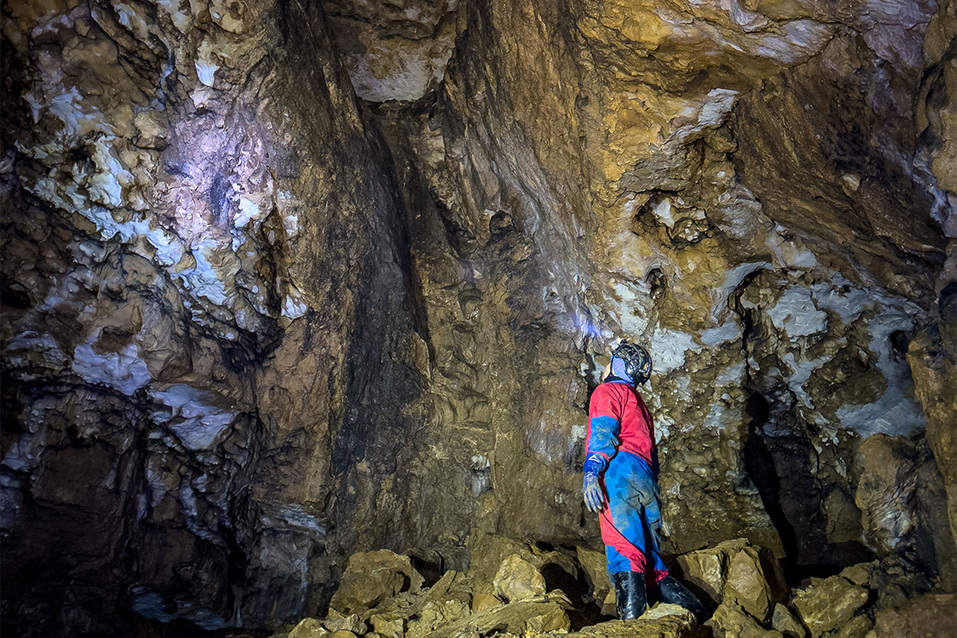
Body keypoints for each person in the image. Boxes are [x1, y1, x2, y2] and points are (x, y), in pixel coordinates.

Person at [582, 341, 706, 620]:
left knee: (624, 549)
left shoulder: (608, 391)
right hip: (646, 481)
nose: (605, 366)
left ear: (620, 366)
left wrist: (592, 470)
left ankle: (631, 628)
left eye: (610, 360)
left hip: (619, 476)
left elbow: (603, 431)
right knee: (651, 564)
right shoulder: (638, 403)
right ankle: (702, 617)